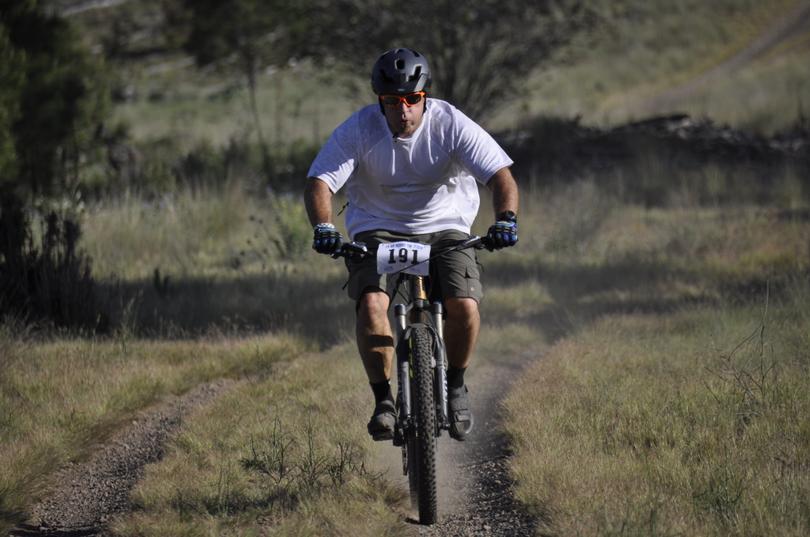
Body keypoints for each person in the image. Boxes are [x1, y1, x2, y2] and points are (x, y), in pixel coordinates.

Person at [304, 47, 519, 442]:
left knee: (464, 304)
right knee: (371, 306)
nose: (403, 111)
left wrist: (505, 219)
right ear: (379, 102)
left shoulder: (451, 123)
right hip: (378, 228)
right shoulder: (358, 130)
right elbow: (321, 183)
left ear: (425, 97)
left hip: (446, 226)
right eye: (391, 102)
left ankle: (455, 384)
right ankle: (383, 399)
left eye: (412, 100)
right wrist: (324, 227)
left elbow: (500, 176)